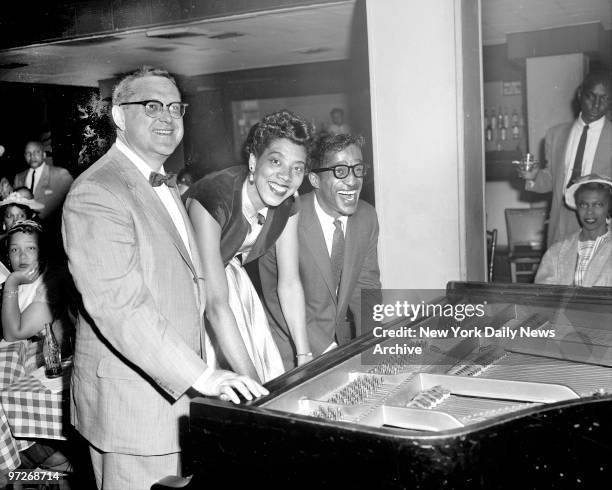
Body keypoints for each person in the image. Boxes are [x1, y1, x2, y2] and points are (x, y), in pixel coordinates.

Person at [61, 66, 267, 490]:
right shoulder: (97, 191)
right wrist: (203, 376)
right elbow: (119, 307)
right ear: (118, 116)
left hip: (175, 399)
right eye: (151, 106)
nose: (168, 118)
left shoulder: (163, 184)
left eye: (176, 107)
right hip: (133, 408)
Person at [185, 110, 314, 383]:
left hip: (227, 281)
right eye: (276, 161)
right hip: (188, 288)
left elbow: (289, 283)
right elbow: (216, 305)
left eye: (297, 168)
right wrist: (254, 386)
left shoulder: (290, 203)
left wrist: (304, 357)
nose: (286, 177)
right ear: (254, 162)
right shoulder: (213, 198)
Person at [258, 134, 381, 368]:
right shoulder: (282, 216)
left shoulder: (367, 217)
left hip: (340, 346)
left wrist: (371, 346)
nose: (353, 181)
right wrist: (327, 351)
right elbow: (274, 295)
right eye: (340, 171)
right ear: (314, 179)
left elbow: (367, 286)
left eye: (358, 169)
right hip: (289, 350)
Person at [519, 70, 612, 247]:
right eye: (591, 96)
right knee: (557, 273)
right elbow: (551, 180)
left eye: (604, 99)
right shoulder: (556, 135)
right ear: (579, 94)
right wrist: (532, 178)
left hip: (601, 226)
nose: (596, 105)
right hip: (560, 221)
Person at [535, 174, 612, 287]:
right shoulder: (556, 252)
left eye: (598, 205)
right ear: (577, 208)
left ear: (609, 208)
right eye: (583, 205)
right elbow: (543, 293)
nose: (589, 212)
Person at [13, 140, 73, 221]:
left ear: (44, 155)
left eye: (36, 152)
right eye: (28, 153)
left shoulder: (60, 174)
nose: (32, 156)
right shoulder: (18, 178)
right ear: (24, 156)